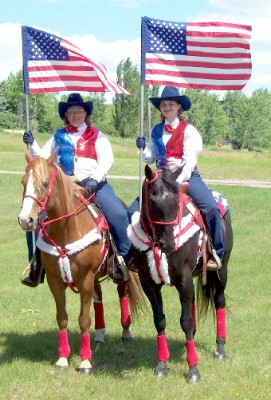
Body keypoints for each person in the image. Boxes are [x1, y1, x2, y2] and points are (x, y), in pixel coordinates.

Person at [22, 93, 132, 286]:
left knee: (118, 214)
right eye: (71, 111)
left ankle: (123, 260)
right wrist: (31, 143)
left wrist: (94, 179)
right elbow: (41, 158)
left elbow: (107, 161)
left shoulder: (97, 135)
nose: (75, 114)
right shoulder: (58, 135)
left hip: (94, 185)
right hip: (65, 188)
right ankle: (36, 265)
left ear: (86, 114)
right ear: (66, 115)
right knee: (35, 220)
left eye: (79, 111)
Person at [129, 86, 224, 270]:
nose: (166, 107)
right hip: (160, 177)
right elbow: (151, 157)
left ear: (179, 106)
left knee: (211, 208)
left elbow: (189, 162)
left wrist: (176, 184)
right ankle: (137, 255)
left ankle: (216, 253)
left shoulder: (189, 131)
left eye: (170, 104)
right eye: (163, 105)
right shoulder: (156, 130)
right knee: (132, 211)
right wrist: (143, 149)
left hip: (186, 176)